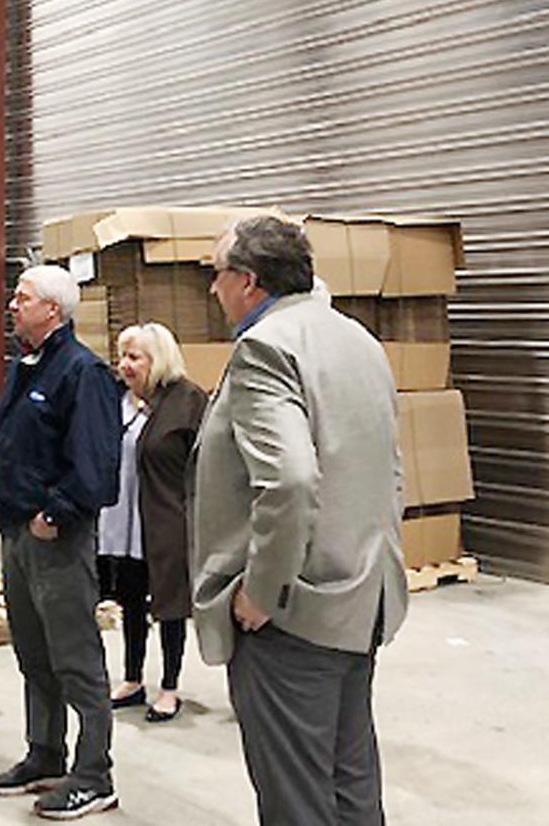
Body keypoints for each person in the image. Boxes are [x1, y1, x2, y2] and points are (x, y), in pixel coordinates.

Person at [190, 216, 409, 824]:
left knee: (296, 802)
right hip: (360, 601)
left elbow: (288, 479)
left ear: (250, 282)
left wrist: (263, 590)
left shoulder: (265, 348)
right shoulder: (358, 340)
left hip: (292, 619)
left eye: (217, 275)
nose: (213, 289)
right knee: (350, 788)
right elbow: (388, 472)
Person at [0, 264, 123, 820]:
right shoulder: (27, 366)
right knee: (33, 652)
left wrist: (55, 514)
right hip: (17, 534)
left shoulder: (83, 373)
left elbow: (96, 467)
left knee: (76, 658)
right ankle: (45, 753)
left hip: (55, 538)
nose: (13, 304)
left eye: (23, 297)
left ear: (54, 310)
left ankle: (94, 773)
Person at [98, 323, 206, 723]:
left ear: (157, 360)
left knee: (170, 607)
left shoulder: (187, 401)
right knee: (130, 599)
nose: (124, 365)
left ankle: (170, 686)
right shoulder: (120, 401)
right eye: (122, 356)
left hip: (165, 522)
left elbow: (206, 465)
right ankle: (131, 678)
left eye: (134, 357)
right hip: (123, 521)